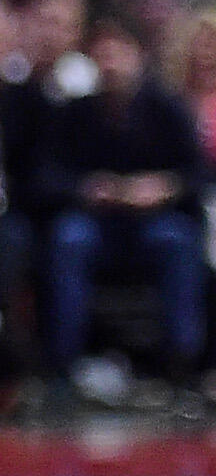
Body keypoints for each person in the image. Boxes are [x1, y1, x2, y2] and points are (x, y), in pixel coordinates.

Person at [38, 19, 207, 390]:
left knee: (179, 241)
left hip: (155, 221)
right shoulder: (75, 113)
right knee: (68, 240)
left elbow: (196, 174)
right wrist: (86, 189)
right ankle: (63, 363)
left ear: (138, 55)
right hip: (97, 221)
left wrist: (165, 188)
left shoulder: (167, 108)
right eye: (102, 52)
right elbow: (47, 176)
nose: (111, 61)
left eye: (119, 50)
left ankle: (183, 361)